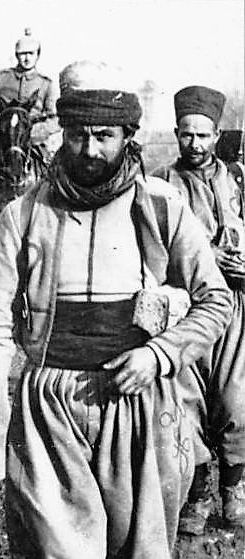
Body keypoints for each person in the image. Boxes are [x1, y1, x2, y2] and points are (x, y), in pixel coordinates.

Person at [0, 64, 232, 559]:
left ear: (127, 137)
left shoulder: (160, 208)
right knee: (55, 539)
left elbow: (215, 301)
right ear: (63, 133)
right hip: (50, 398)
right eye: (78, 134)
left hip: (139, 398)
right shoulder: (25, 213)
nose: (89, 148)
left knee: (141, 532)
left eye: (104, 135)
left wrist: (159, 354)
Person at [152, 86, 245, 534]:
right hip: (184, 308)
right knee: (186, 403)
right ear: (176, 134)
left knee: (234, 399)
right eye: (187, 135)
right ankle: (199, 493)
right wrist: (206, 255)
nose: (195, 144)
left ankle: (234, 486)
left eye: (204, 135)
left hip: (234, 306)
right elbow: (153, 245)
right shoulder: (160, 183)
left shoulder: (238, 179)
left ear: (217, 136)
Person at [0, 29, 59, 159]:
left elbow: (55, 119)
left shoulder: (45, 84)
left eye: (31, 54)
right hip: (4, 139)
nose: (27, 58)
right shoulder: (3, 78)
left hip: (34, 141)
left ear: (38, 55)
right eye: (22, 54)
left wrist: (37, 132)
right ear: (16, 55)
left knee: (51, 166)